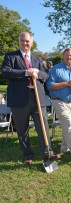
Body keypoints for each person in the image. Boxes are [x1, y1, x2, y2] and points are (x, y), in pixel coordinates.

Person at [1, 32, 59, 165]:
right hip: (19, 100)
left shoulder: (37, 59)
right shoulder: (11, 57)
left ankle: (47, 152)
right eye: (22, 41)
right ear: (19, 41)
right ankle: (27, 154)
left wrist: (38, 73)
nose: (25, 43)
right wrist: (26, 72)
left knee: (43, 126)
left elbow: (46, 76)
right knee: (22, 129)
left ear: (32, 42)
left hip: (38, 97)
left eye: (27, 41)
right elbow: (6, 72)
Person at [47, 48, 71, 156]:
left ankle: (64, 147)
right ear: (63, 56)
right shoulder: (55, 69)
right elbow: (50, 86)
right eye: (67, 55)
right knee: (67, 123)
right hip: (59, 101)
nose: (69, 57)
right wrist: (66, 83)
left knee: (68, 126)